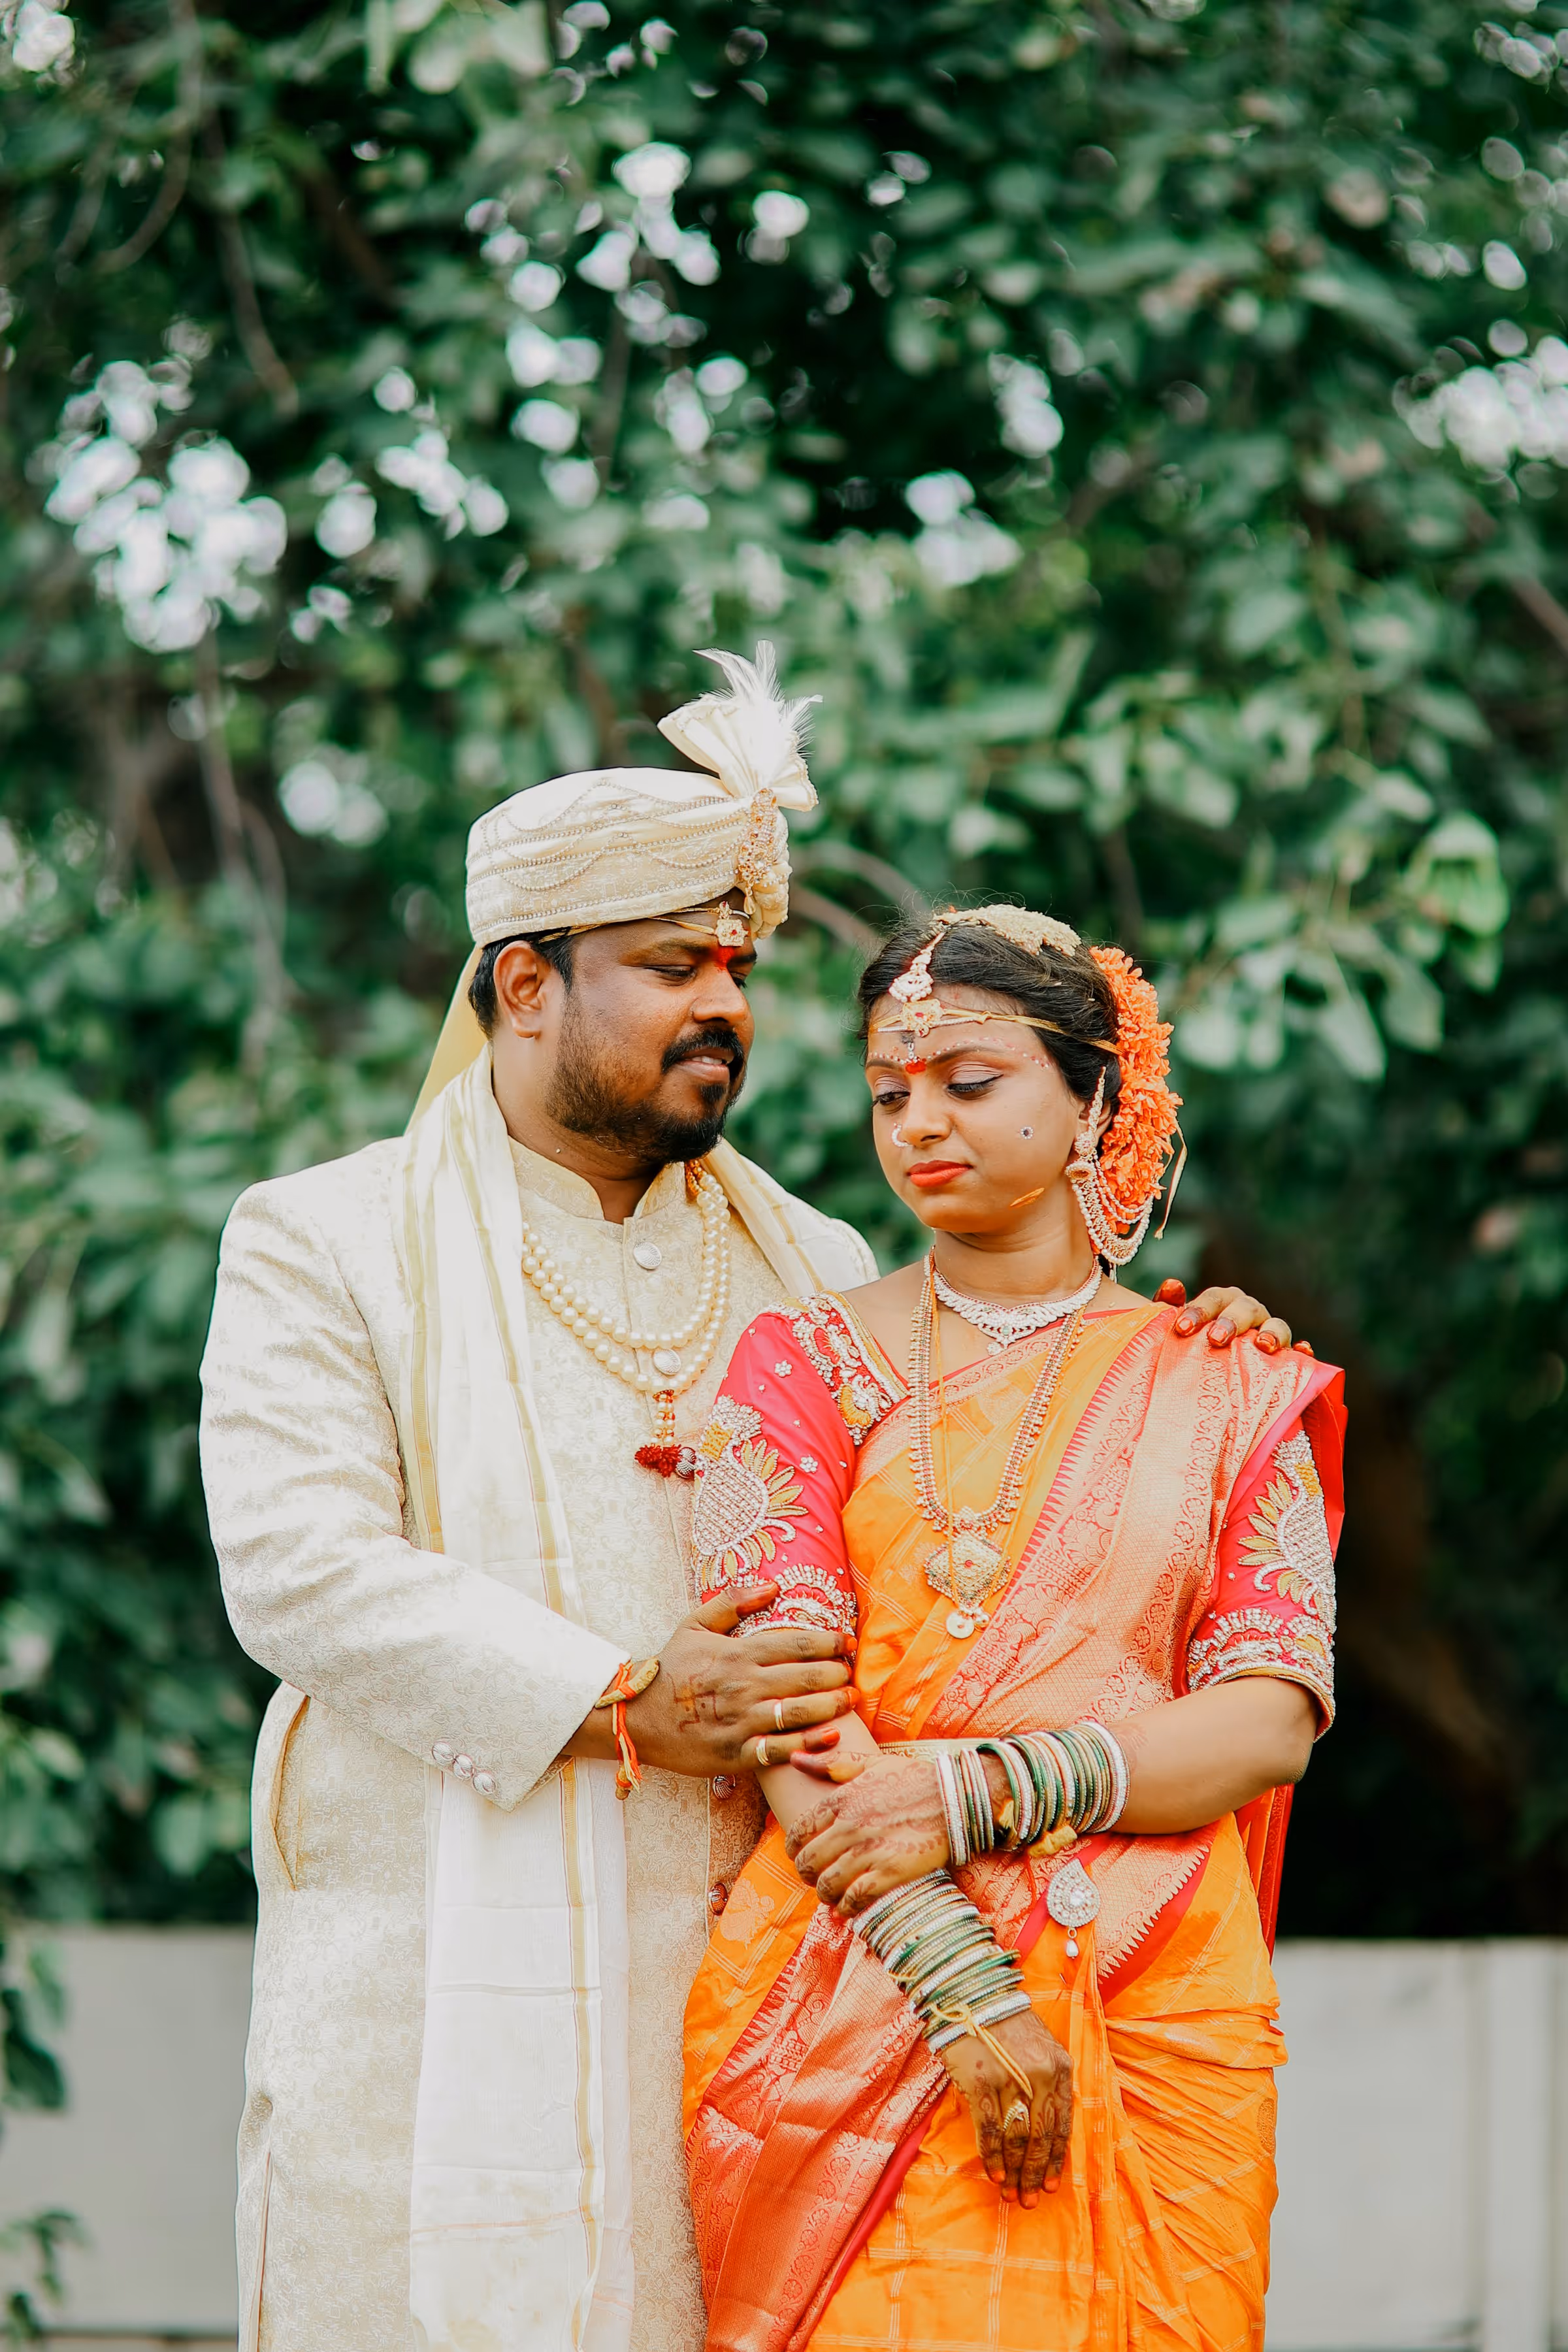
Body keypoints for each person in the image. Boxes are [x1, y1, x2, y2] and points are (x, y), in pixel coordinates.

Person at [200, 645, 1295, 2352]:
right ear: (525, 985)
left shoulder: (822, 1262)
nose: (728, 1005)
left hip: (772, 2035)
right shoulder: (327, 1239)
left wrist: (1197, 1344)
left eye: (742, 965)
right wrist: (627, 1693)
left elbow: (1015, 1490)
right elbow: (298, 1572)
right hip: (427, 2031)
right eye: (671, 966)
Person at [682, 905, 1343, 2352]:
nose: (919, 1120)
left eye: (968, 1082)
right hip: (863, 1980)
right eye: (888, 1090)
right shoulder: (797, 1365)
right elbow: (783, 1704)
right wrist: (963, 1985)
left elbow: (1272, 1715)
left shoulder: (1228, 1382)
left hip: (1157, 1991)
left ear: (1096, 1096)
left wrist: (974, 1789)